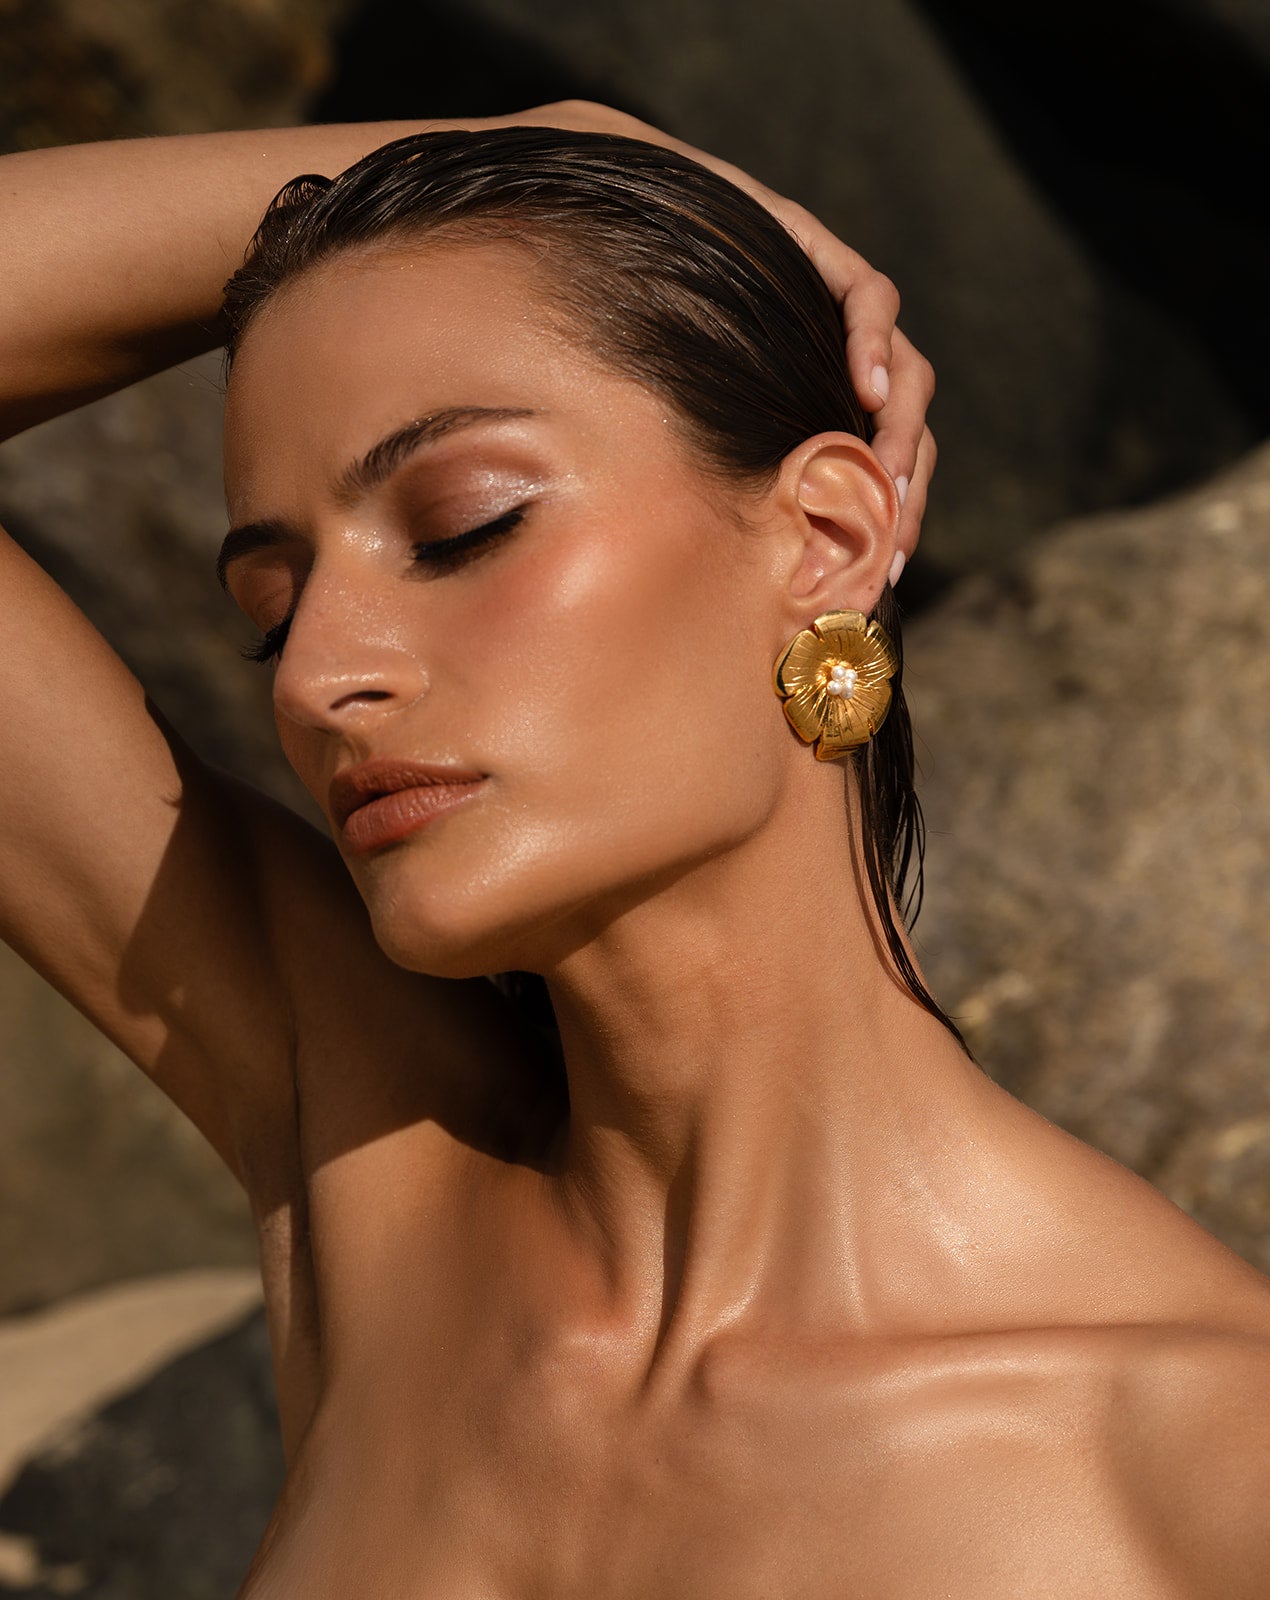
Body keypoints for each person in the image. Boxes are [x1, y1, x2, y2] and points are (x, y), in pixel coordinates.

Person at [1, 101, 1267, 1597]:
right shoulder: (371, 1185)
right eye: (271, 604)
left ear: (824, 539)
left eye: (463, 523)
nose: (311, 672)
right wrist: (525, 142)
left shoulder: (1197, 1466)